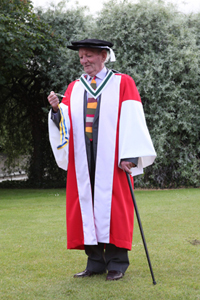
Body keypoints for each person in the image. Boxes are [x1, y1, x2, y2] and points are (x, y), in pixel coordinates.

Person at [47, 38, 156, 281]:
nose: (84, 61)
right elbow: (64, 123)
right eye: (81, 57)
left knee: (116, 207)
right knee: (87, 205)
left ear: (103, 56)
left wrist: (130, 155)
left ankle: (117, 263)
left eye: (89, 56)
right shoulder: (75, 87)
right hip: (83, 158)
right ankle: (95, 262)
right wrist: (56, 110)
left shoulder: (122, 83)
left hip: (113, 158)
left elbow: (133, 118)